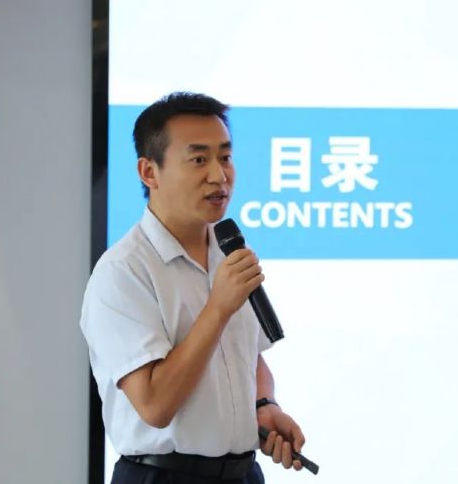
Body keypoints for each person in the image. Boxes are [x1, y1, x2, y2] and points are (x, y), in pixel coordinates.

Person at [81, 92, 306, 483]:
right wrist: (217, 308)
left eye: (225, 157)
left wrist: (264, 404)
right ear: (149, 172)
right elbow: (154, 405)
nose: (219, 175)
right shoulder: (123, 272)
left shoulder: (227, 250)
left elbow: (246, 354)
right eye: (199, 160)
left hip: (243, 474)